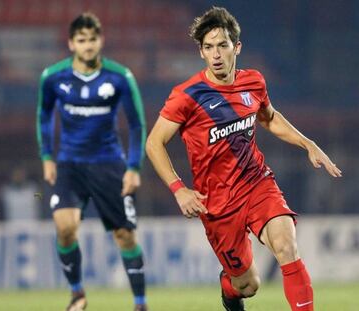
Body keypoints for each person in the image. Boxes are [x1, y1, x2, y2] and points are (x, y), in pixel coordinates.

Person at [146, 7, 342, 311]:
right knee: (248, 284)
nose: (216, 55)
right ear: (201, 52)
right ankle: (230, 290)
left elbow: (270, 118)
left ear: (236, 47)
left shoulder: (254, 82)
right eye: (208, 47)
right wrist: (179, 189)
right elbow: (154, 143)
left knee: (286, 244)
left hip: (256, 183)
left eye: (222, 45)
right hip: (218, 203)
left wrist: (308, 143)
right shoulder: (187, 95)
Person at [36, 12, 148, 311]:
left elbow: (137, 124)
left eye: (93, 39)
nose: (88, 46)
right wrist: (47, 157)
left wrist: (134, 167)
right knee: (65, 227)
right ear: (71, 43)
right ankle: (77, 294)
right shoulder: (53, 77)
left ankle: (140, 303)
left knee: (124, 235)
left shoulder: (119, 77)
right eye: (81, 40)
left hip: (109, 163)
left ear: (101, 41)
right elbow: (44, 117)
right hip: (70, 164)